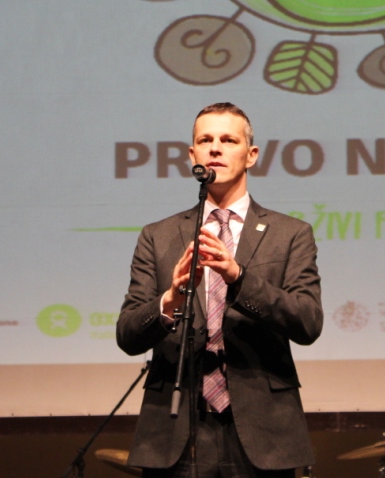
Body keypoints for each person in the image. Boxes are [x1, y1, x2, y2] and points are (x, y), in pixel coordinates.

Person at [117, 102, 323, 478]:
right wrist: (171, 298)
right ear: (192, 155)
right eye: (205, 140)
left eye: (228, 140)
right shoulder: (158, 236)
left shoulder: (291, 234)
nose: (215, 148)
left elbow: (308, 323)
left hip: (264, 433)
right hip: (175, 430)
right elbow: (128, 335)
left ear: (251, 155)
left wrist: (238, 277)